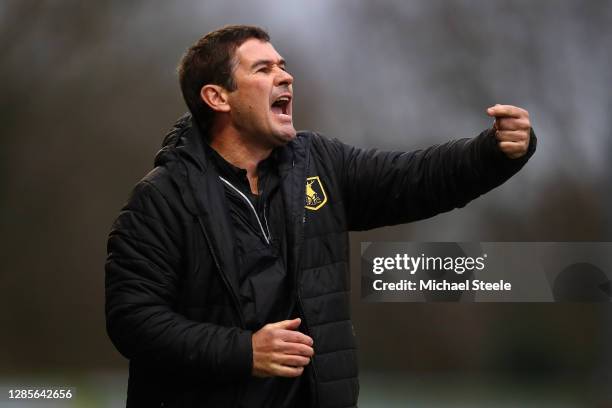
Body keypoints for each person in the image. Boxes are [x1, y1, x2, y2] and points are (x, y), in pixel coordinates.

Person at [105, 25, 536, 408]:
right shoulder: (162, 198)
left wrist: (492, 153)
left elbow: (413, 179)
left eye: (283, 65)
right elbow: (134, 320)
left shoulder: (319, 163)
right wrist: (243, 351)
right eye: (262, 69)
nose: (285, 76)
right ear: (218, 98)